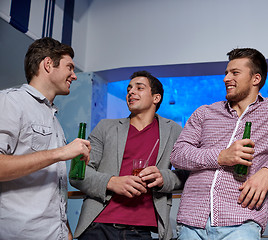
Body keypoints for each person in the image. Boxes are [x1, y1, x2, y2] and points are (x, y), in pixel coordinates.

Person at [170, 48, 268, 239]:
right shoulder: (205, 112)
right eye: (226, 73)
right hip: (191, 221)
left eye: (235, 73)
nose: (226, 78)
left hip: (241, 222)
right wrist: (221, 157)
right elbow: (178, 154)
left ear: (255, 78)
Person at [70, 71, 188, 240]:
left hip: (142, 231)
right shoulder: (105, 128)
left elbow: (187, 175)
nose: (131, 92)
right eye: (129, 89)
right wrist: (111, 182)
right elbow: (77, 174)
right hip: (97, 226)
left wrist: (163, 177)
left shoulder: (174, 131)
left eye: (139, 88)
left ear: (156, 98)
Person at [0, 37, 91, 240]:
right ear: (48, 64)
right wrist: (61, 153)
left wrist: (65, 230)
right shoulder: (10, 102)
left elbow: (53, 184)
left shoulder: (53, 120)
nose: (74, 76)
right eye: (70, 67)